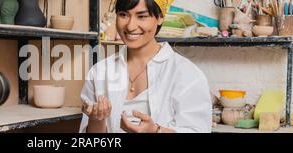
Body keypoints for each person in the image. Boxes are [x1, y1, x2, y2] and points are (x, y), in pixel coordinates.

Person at [79, 0, 212, 133]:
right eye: (123, 15)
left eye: (142, 16)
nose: (130, 26)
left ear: (160, 17)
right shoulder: (99, 72)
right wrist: (97, 120)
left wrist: (156, 131)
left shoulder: (187, 74)